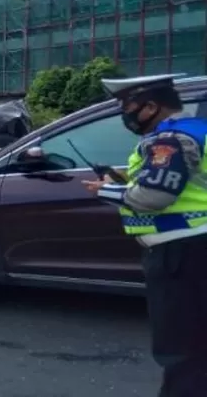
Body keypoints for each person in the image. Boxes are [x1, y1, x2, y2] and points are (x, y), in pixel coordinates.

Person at [82, 74, 207, 396]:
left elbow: (154, 197)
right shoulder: (196, 131)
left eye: (128, 106)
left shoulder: (169, 140)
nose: (125, 114)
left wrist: (107, 191)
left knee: (182, 350)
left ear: (151, 106)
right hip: (194, 247)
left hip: (182, 253)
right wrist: (125, 182)